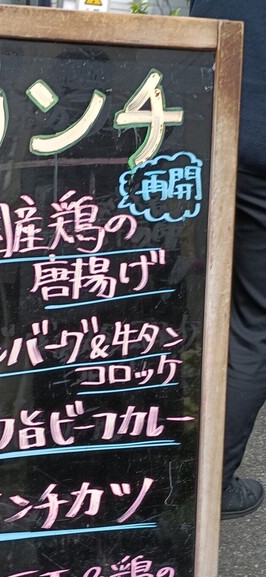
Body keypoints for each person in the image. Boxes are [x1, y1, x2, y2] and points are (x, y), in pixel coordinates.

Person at [190, 0, 266, 518]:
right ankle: (209, 487)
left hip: (200, 130)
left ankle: (146, 460)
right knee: (253, 319)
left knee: (188, 298)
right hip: (260, 148)